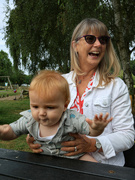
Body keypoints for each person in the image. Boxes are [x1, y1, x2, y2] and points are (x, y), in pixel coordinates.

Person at [26, 18, 135, 166]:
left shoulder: (116, 86)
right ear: (75, 45)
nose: (98, 44)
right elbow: (41, 115)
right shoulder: (59, 82)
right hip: (61, 165)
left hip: (105, 169)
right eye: (90, 39)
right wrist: (35, 136)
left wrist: (93, 144)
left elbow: (127, 135)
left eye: (103, 40)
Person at [0, 70, 112, 162]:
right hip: (45, 161)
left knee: (94, 166)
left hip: (75, 158)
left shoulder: (72, 118)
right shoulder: (29, 120)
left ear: (65, 105)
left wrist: (97, 128)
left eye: (49, 107)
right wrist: (2, 131)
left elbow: (91, 131)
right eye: (35, 106)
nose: (41, 113)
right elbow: (10, 131)